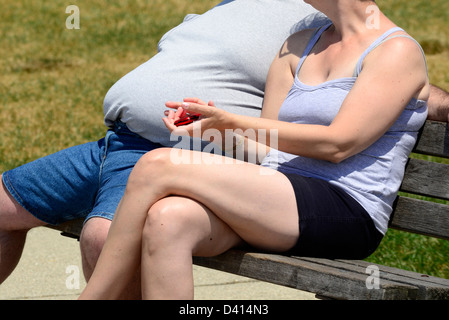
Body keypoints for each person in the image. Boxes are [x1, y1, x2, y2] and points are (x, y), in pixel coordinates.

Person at [78, 0, 431, 299]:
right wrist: (210, 130)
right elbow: (267, 148)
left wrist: (230, 120)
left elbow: (338, 144)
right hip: (278, 196)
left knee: (157, 165)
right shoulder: (301, 44)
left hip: (346, 208)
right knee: (168, 219)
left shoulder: (395, 51)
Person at [0, 0, 327, 294]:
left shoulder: (316, 23)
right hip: (118, 142)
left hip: (167, 155)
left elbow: (305, 124)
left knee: (103, 238)